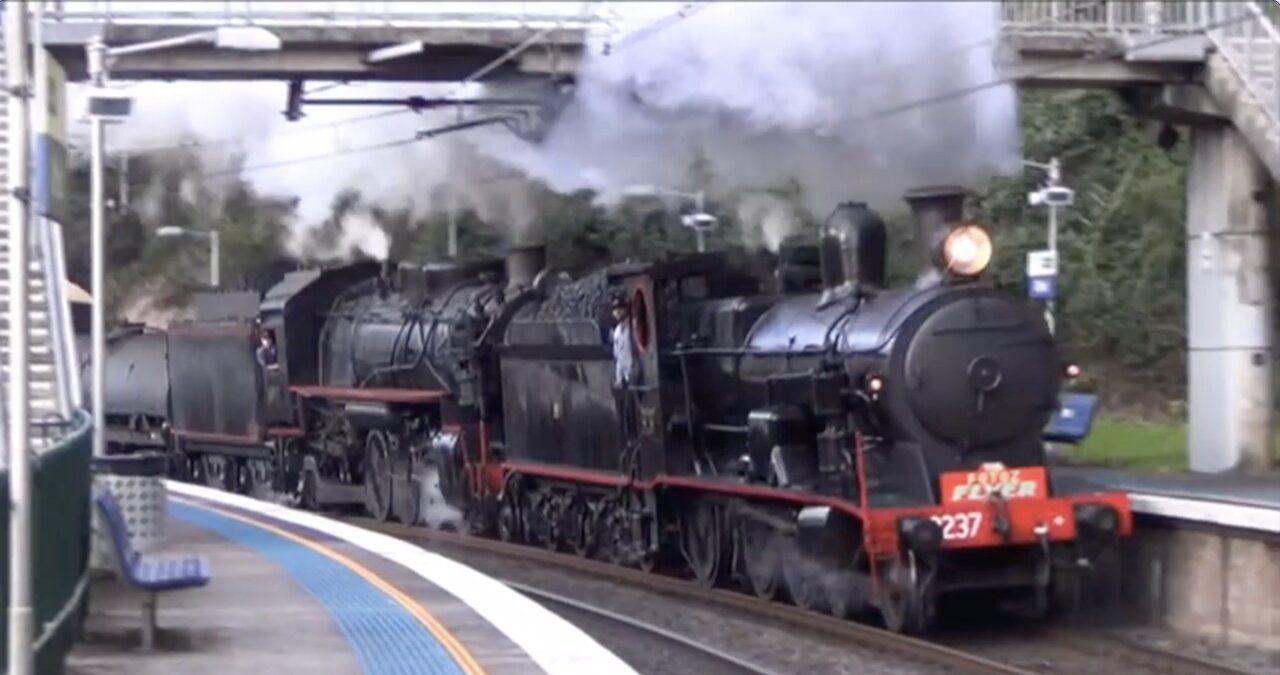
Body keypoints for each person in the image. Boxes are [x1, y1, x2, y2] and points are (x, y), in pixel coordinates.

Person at [610, 295, 638, 438]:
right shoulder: (616, 332)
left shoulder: (634, 327)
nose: (618, 313)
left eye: (620, 309)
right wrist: (618, 377)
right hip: (625, 376)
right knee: (626, 411)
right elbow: (618, 356)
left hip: (635, 373)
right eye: (615, 310)